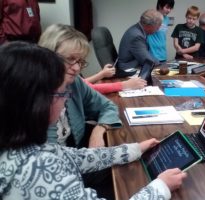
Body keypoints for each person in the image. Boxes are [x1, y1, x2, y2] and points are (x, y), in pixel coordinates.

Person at [0, 41, 187, 199]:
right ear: (38, 102)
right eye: (62, 93)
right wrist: (161, 187)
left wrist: (135, 149)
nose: (66, 99)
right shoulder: (40, 169)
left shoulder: (22, 146)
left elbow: (79, 157)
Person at [38, 24, 122, 148]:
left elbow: (108, 106)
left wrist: (99, 131)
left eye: (80, 61)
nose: (77, 68)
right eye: (70, 59)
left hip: (77, 156)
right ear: (48, 55)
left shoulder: (75, 83)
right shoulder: (29, 91)